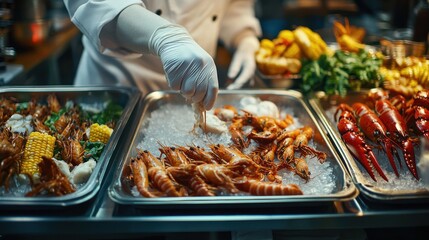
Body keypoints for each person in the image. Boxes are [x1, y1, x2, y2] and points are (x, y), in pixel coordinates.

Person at [63, 0, 262, 110]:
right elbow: (96, 4)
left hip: (194, 91)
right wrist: (165, 37)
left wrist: (243, 36)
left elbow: (234, 5)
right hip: (114, 91)